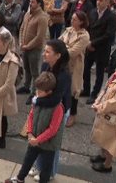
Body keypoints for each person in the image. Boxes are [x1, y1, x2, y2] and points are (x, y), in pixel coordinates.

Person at [6, 71, 65, 183]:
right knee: (28, 159)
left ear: (49, 92)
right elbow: (32, 116)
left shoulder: (58, 107)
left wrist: (38, 140)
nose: (37, 93)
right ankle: (19, 178)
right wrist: (29, 133)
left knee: (46, 166)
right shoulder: (38, 100)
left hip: (48, 143)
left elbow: (53, 129)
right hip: (35, 138)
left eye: (40, 91)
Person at [28, 39, 72, 182]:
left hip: (58, 111)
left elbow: (55, 99)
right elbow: (40, 86)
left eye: (48, 52)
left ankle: (51, 171)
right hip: (43, 107)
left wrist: (36, 101)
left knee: (52, 143)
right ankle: (39, 166)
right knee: (39, 137)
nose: (44, 55)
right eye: (44, 51)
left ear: (58, 55)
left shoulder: (64, 75)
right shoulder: (46, 65)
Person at [82, 0, 116, 105]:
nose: (98, 2)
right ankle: (86, 89)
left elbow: (109, 34)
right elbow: (88, 27)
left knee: (99, 73)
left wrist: (94, 43)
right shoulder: (93, 12)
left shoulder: (112, 16)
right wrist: (88, 42)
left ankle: (95, 93)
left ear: (107, 2)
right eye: (98, 0)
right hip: (90, 45)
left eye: (101, 0)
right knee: (86, 69)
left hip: (102, 47)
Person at [59, 11, 90, 127]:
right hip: (63, 63)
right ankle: (62, 110)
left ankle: (73, 114)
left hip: (75, 65)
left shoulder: (84, 35)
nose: (72, 21)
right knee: (62, 87)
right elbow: (58, 41)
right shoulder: (68, 30)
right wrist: (65, 47)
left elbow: (73, 52)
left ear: (81, 22)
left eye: (75, 20)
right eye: (72, 19)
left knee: (73, 90)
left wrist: (64, 47)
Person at [18, 0, 49, 105]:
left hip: (34, 49)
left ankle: (34, 91)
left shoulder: (42, 17)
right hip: (25, 46)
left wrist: (28, 46)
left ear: (39, 4)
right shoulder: (28, 14)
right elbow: (22, 28)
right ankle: (26, 86)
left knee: (34, 70)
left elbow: (39, 37)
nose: (30, 4)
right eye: (30, 2)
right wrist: (21, 42)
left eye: (33, 2)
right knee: (26, 68)